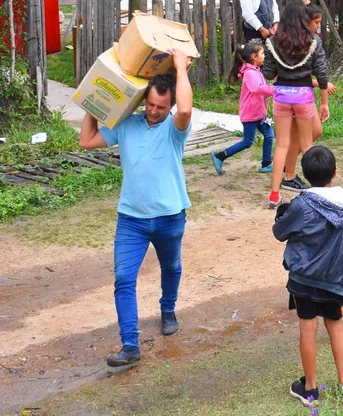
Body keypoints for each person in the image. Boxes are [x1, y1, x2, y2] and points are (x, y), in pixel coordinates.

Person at [78, 49, 193, 367]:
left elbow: (185, 107)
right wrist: (95, 104)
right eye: (151, 105)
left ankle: (167, 307)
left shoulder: (175, 129)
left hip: (170, 216)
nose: (154, 112)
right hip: (131, 220)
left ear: (169, 107)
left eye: (161, 107)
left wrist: (181, 68)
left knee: (171, 267)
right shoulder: (126, 124)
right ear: (144, 100)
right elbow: (86, 141)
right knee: (123, 278)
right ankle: (130, 344)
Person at [272, 146, 343, 406]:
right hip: (337, 280)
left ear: (304, 174)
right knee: (335, 324)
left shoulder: (301, 204)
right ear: (335, 173)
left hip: (304, 279)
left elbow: (280, 232)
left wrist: (282, 213)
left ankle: (310, 388)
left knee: (308, 326)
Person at [263, 2, 331, 209]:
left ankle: (274, 195)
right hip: (304, 97)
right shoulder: (313, 41)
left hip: (281, 96)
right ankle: (317, 193)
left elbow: (267, 73)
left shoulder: (273, 42)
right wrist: (325, 102)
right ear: (303, 19)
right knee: (306, 145)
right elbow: (322, 73)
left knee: (282, 144)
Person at [281, 2, 332, 192]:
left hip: (306, 96)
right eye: (316, 22)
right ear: (304, 21)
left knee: (316, 130)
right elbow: (292, 75)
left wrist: (323, 100)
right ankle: (290, 176)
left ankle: (288, 165)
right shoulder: (295, 40)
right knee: (299, 139)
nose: (318, 25)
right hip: (294, 99)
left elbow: (317, 73)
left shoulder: (312, 40)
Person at [211, 41, 275, 175]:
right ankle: (220, 156)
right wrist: (275, 90)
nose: (264, 56)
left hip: (259, 113)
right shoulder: (250, 73)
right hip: (251, 114)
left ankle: (266, 163)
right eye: (262, 53)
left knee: (269, 135)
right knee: (248, 142)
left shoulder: (255, 71)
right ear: (254, 57)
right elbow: (257, 88)